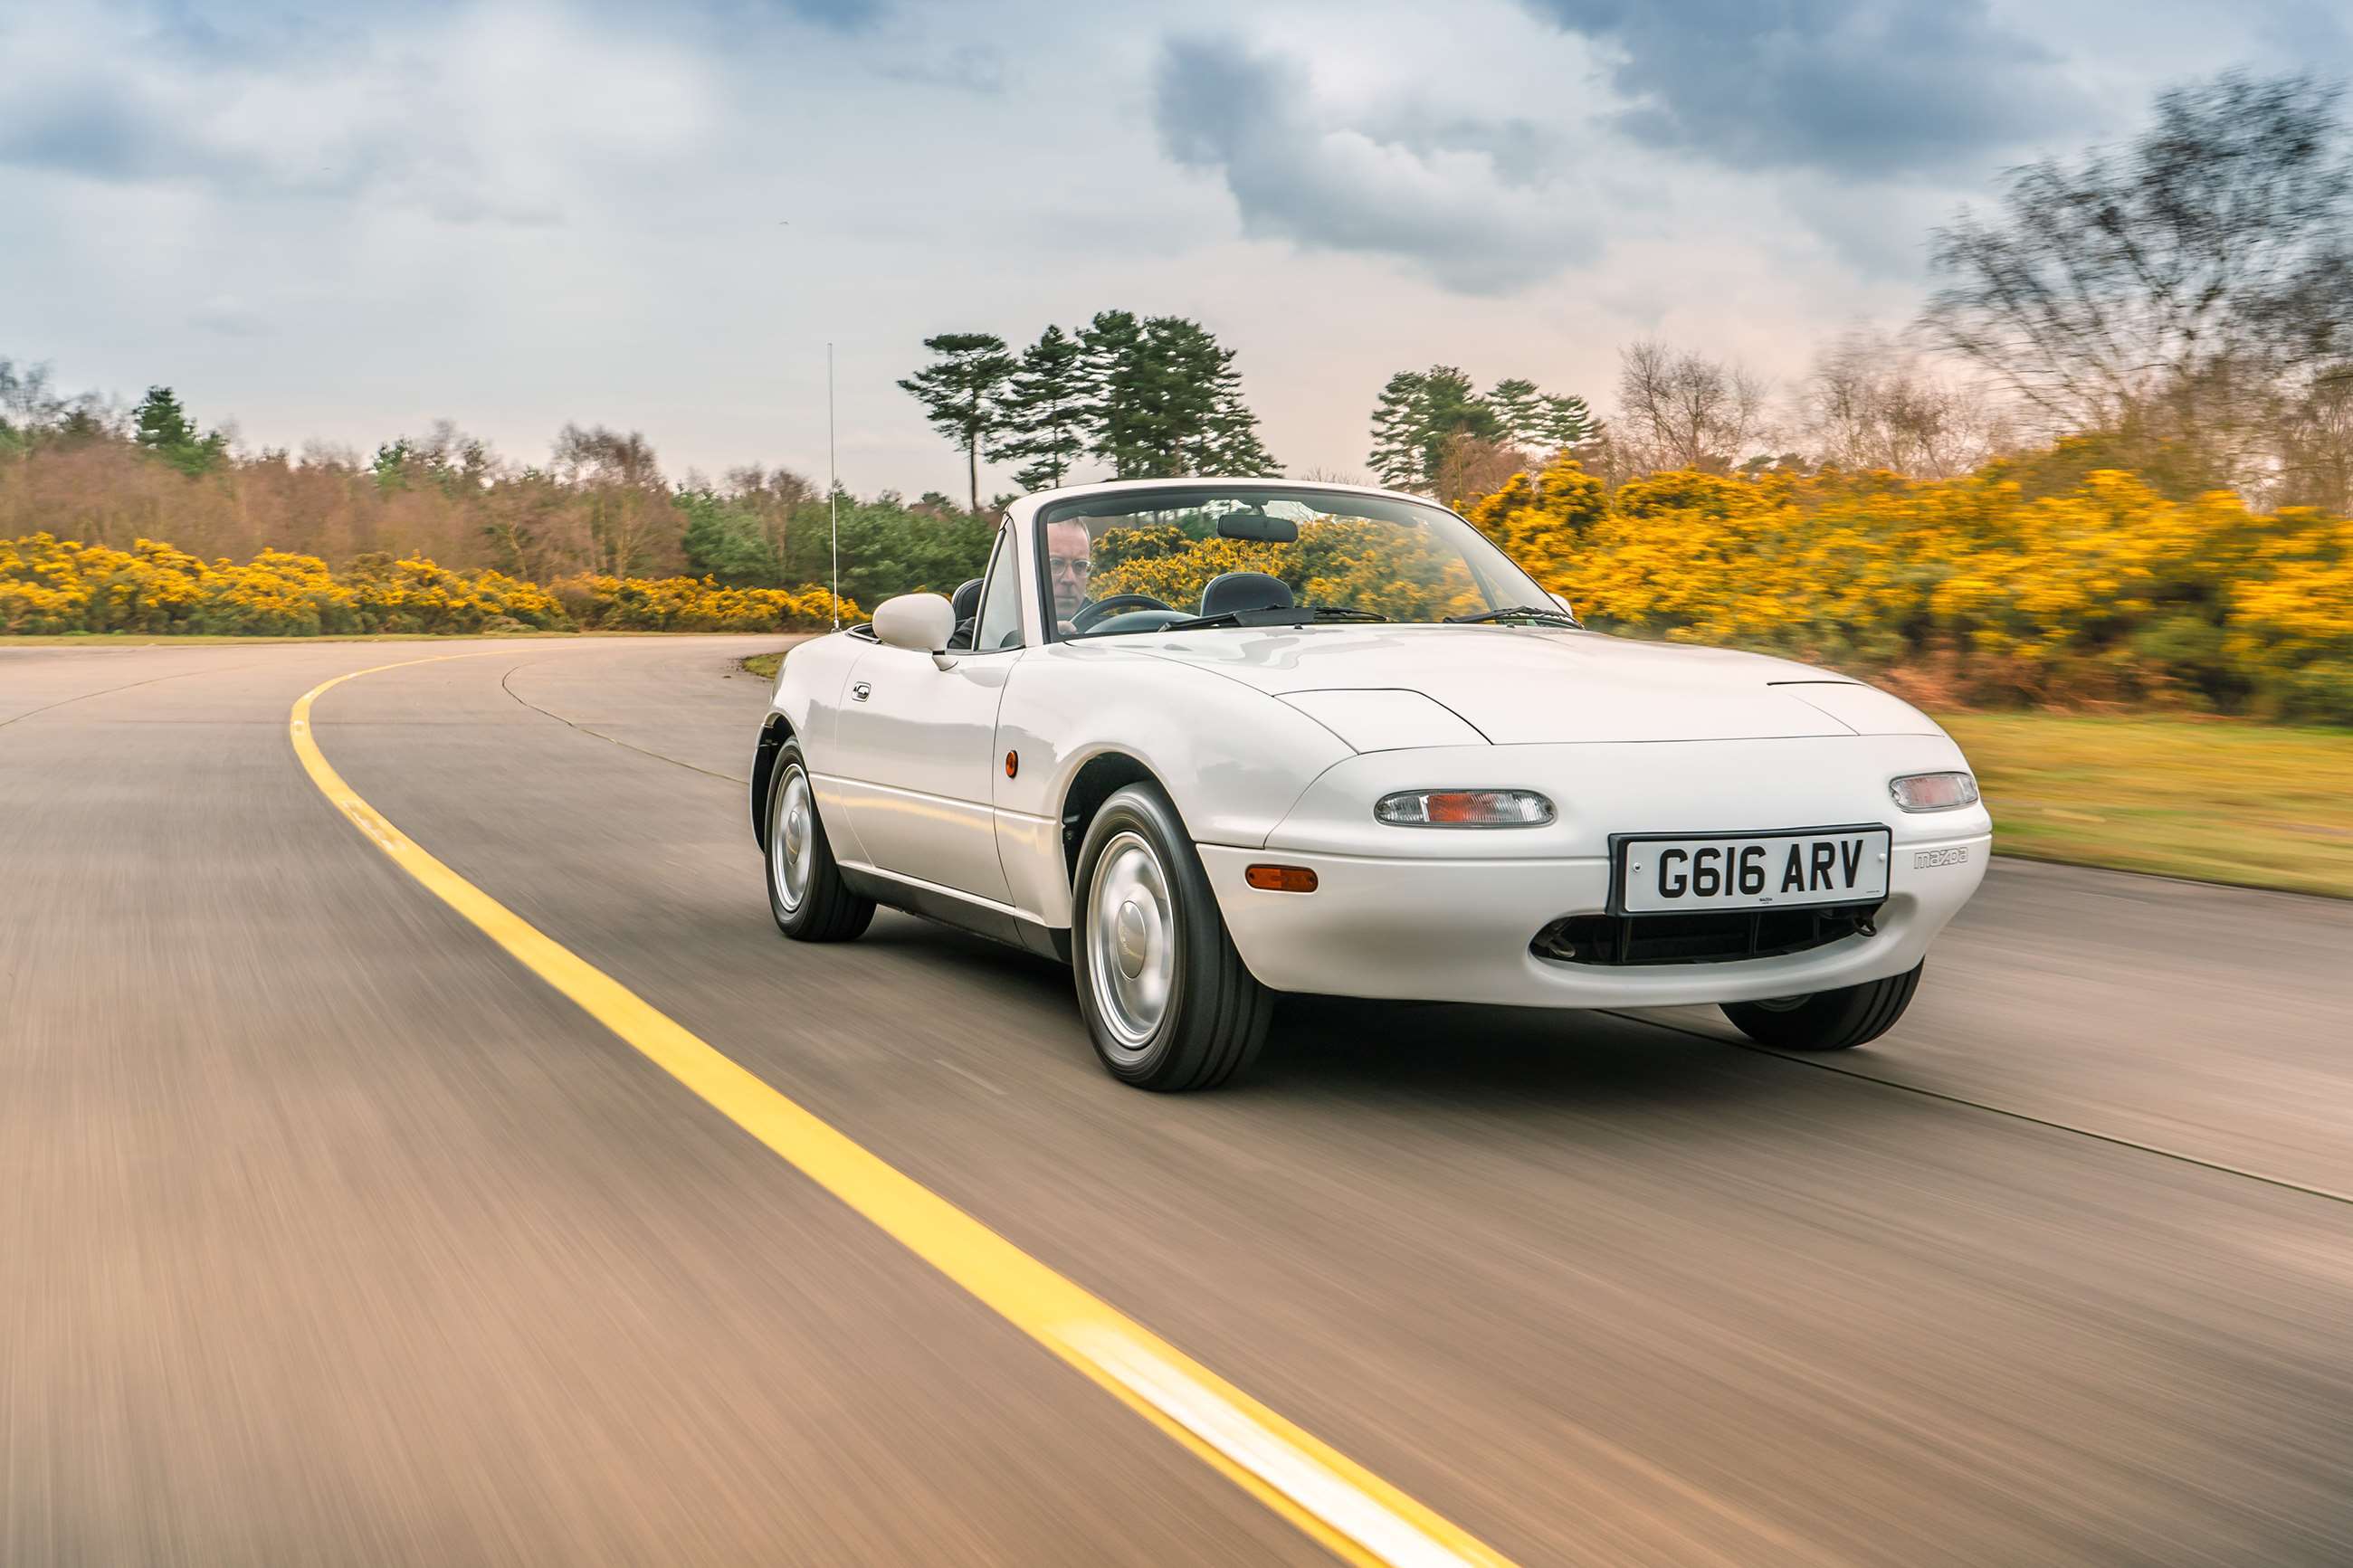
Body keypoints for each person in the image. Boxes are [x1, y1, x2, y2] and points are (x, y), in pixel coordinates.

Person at [1044, 518, 1093, 628]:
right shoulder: (1009, 624)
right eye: (1056, 563)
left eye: (1080, 565)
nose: (1069, 579)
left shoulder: (1105, 629)